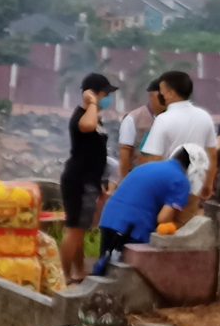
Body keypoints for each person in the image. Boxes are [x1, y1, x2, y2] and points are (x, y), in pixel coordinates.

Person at [93, 141, 203, 274]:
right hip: (132, 228)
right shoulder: (181, 181)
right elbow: (163, 218)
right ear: (193, 168)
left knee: (103, 270)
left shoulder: (148, 167)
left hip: (109, 219)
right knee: (123, 276)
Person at [59, 72, 117, 285]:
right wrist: (91, 103)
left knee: (80, 230)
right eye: (104, 94)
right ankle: (63, 276)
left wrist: (101, 181)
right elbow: (87, 127)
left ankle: (79, 271)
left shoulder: (95, 117)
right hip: (79, 181)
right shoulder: (83, 116)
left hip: (89, 180)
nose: (107, 98)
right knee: (74, 229)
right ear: (92, 94)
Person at [141, 70, 214, 171]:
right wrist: (208, 184)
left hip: (170, 181)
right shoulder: (205, 117)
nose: (160, 94)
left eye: (162, 91)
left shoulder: (163, 120)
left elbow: (155, 159)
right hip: (198, 180)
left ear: (171, 93)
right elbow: (212, 155)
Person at [115, 80, 163, 178]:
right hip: (140, 176)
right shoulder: (133, 118)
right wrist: (125, 182)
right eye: (161, 97)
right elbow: (125, 154)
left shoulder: (172, 117)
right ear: (151, 96)